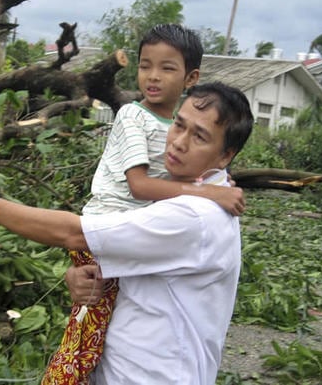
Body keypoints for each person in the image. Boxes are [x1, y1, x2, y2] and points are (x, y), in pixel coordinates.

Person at [0, 82, 255, 384]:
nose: (179, 142)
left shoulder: (193, 215)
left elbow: (76, 234)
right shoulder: (194, 194)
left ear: (226, 155)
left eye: (198, 136)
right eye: (178, 124)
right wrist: (87, 276)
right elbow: (142, 265)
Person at [47, 24, 245, 383]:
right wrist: (210, 192)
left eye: (167, 68)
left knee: (94, 328)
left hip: (130, 235)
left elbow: (182, 183)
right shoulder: (133, 115)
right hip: (106, 224)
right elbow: (139, 186)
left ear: (191, 77)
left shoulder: (177, 125)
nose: (152, 77)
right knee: (85, 334)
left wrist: (218, 182)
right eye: (144, 65)